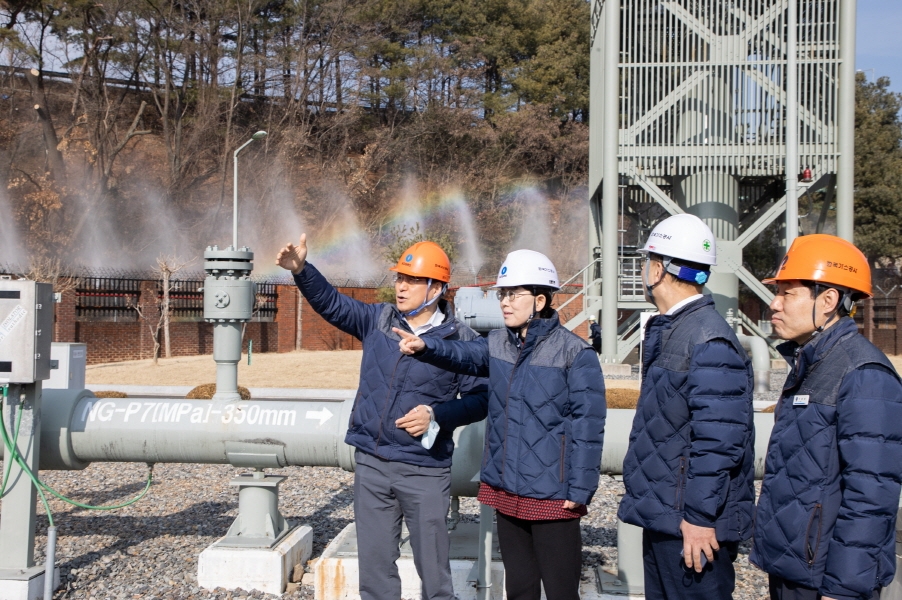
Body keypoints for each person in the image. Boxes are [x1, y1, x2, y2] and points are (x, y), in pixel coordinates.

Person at [275, 235, 488, 600]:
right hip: (372, 464)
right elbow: (333, 305)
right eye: (399, 278)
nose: (401, 286)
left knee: (435, 578)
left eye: (411, 280)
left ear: (436, 287)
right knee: (375, 575)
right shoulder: (379, 319)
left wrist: (438, 416)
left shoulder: (460, 340)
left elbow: (481, 398)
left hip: (424, 469)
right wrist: (301, 270)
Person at [393, 249, 606, 600]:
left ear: (539, 300)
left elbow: (589, 424)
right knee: (519, 588)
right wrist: (426, 346)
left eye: (513, 294)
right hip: (507, 490)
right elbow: (463, 355)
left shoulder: (575, 354)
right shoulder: (496, 344)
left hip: (554, 495)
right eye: (501, 294)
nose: (504, 302)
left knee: (560, 590)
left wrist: (580, 488)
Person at [750, 234, 902, 600]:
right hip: (794, 566)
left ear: (829, 300)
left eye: (788, 293)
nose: (774, 304)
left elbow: (871, 495)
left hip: (827, 583)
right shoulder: (812, 362)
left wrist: (844, 588)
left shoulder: (864, 374)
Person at [617, 213, 755, 600]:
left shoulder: (707, 339)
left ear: (658, 269)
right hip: (668, 516)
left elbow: (719, 442)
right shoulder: (676, 329)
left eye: (647, 261)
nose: (644, 269)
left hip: (689, 525)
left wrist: (698, 518)